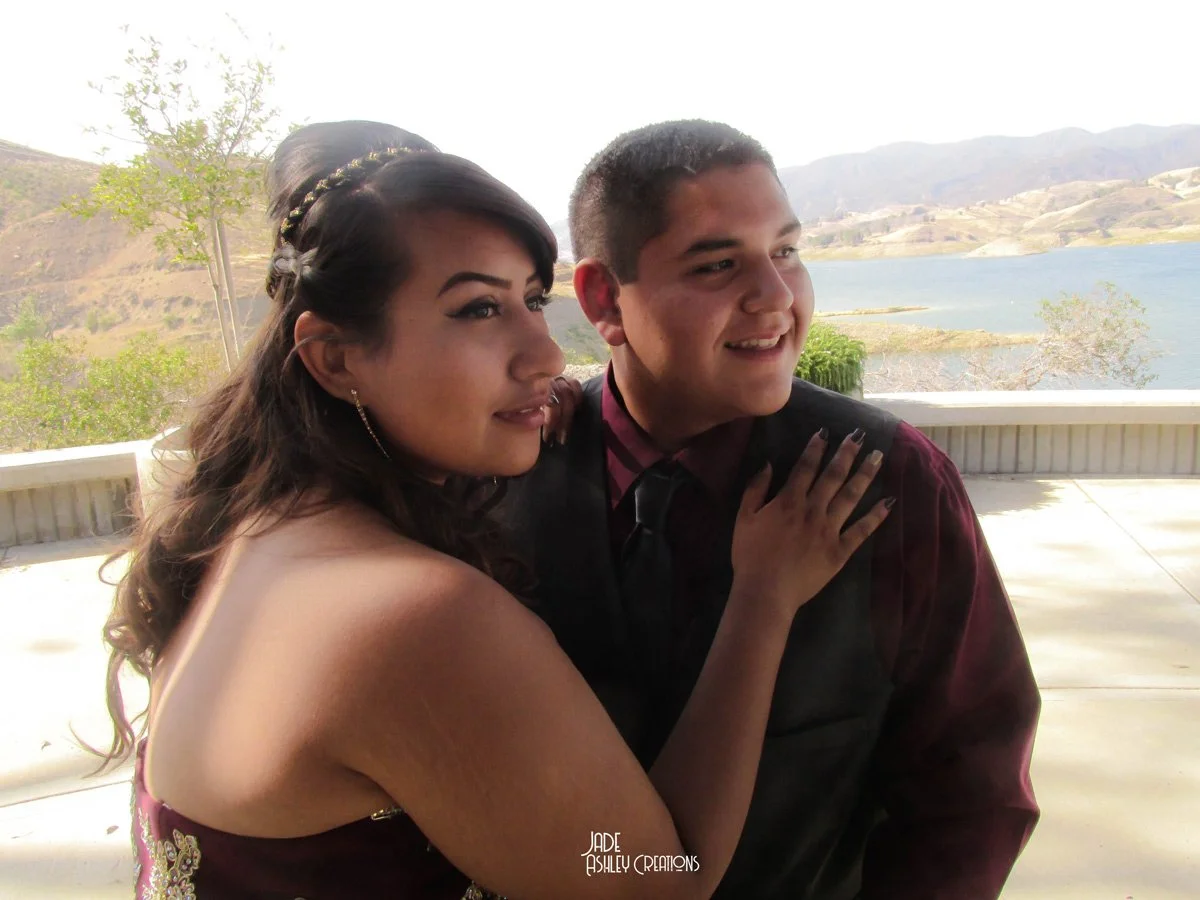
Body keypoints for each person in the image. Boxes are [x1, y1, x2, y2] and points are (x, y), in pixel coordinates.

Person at [97, 120, 894, 900]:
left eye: (532, 300)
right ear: (335, 357)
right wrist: (763, 597)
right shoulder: (414, 621)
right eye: (477, 309)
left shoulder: (253, 531)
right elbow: (666, 879)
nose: (549, 356)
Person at [497, 119, 1042, 899]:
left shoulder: (888, 481)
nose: (777, 298)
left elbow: (969, 784)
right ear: (603, 299)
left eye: (785, 252)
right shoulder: (511, 469)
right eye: (719, 264)